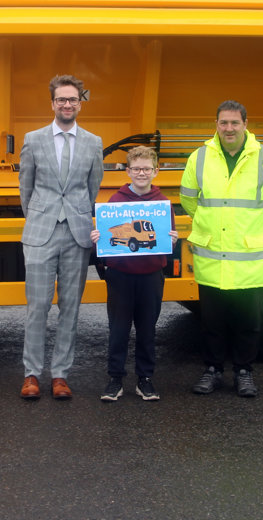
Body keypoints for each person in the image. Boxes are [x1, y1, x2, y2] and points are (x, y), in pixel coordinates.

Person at [179, 100, 263, 398]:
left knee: (248, 323)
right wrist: (211, 223)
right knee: (211, 322)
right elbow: (189, 199)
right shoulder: (199, 158)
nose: (228, 128)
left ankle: (244, 372)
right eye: (223, 123)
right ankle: (212, 371)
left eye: (234, 123)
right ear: (215, 124)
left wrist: (255, 228)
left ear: (245, 124)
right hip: (212, 255)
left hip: (248, 258)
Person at [18, 74, 105, 400]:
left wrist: (77, 215)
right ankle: (31, 374)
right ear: (52, 103)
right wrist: (42, 216)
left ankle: (60, 375)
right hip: (41, 233)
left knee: (70, 308)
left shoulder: (93, 143)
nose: (67, 104)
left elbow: (92, 187)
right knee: (37, 307)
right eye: (61, 100)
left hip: (78, 234)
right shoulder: (34, 139)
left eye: (72, 99)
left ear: (80, 102)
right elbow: (26, 189)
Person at [90, 146, 178, 402]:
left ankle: (145, 379)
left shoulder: (162, 204)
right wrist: (97, 238)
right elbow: (105, 238)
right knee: (118, 328)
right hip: (120, 275)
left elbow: (167, 238)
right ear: (128, 171)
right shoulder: (115, 202)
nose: (142, 173)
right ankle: (115, 379)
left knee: (147, 328)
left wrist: (172, 240)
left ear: (156, 171)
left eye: (147, 169)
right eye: (137, 169)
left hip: (151, 275)